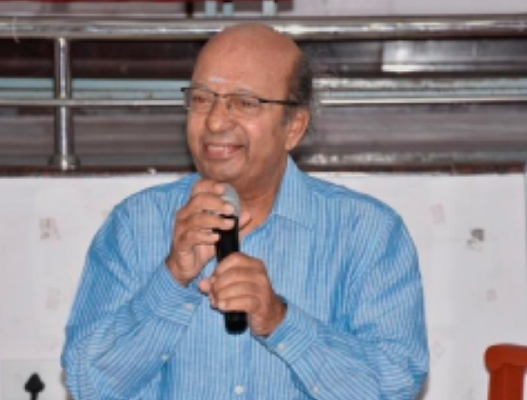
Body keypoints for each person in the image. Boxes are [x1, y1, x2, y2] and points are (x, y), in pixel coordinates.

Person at [62, 23, 429, 399]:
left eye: (244, 102)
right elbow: (87, 384)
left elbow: (393, 387)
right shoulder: (136, 224)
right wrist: (171, 280)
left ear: (294, 127)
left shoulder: (368, 233)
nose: (215, 121)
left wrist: (281, 322)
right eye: (202, 99)